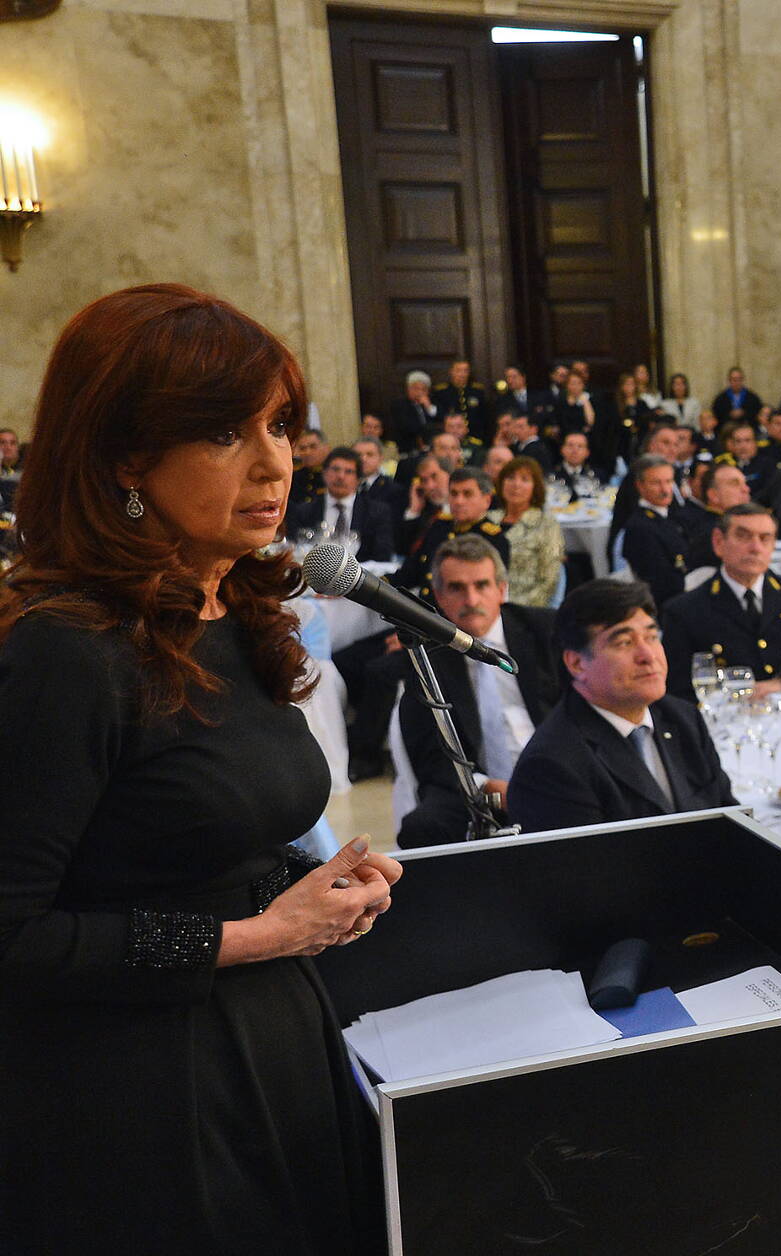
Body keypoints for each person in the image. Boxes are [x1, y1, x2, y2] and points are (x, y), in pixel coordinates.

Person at [0, 282, 398, 1249]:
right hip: (143, 1102)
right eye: (226, 434)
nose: (274, 463)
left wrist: (319, 884)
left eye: (279, 426)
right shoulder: (66, 648)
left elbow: (186, 841)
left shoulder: (228, 606)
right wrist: (262, 934)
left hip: (275, 1043)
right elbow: (13, 938)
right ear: (127, 455)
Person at [507, 579, 734, 832]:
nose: (648, 656)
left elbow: (729, 818)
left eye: (651, 636)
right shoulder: (552, 765)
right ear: (577, 664)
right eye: (624, 642)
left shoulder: (683, 718)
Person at [395, 537, 561, 848]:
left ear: (501, 589)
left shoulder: (544, 631)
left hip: (555, 775)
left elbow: (576, 713)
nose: (471, 599)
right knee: (421, 827)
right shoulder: (424, 656)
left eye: (481, 585)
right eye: (457, 588)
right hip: (477, 790)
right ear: (440, 596)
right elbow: (431, 756)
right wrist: (487, 788)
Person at [659, 504, 781, 699]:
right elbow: (679, 689)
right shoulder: (686, 611)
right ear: (719, 542)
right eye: (743, 536)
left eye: (765, 539)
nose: (755, 548)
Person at [391, 466, 510, 602]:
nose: (459, 501)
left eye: (467, 494)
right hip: (423, 611)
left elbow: (487, 595)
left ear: (487, 500)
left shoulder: (493, 539)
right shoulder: (440, 526)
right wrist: (381, 582)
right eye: (454, 494)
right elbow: (411, 571)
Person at [288, 444, 396, 562]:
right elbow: (294, 550)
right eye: (335, 469)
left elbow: (383, 556)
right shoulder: (303, 511)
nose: (340, 476)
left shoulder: (376, 512)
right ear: (324, 473)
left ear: (358, 479)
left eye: (348, 472)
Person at [622, 455, 696, 610]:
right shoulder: (640, 527)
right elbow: (660, 584)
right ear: (640, 486)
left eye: (669, 481)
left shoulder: (671, 516)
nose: (665, 490)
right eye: (656, 483)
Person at [494, 456, 566, 608]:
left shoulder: (546, 524)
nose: (516, 485)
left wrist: (512, 612)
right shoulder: (488, 519)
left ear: (535, 488)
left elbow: (548, 582)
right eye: (510, 478)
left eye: (524, 479)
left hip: (524, 608)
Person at [433, 359, 490, 442]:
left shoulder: (477, 391)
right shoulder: (441, 391)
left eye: (465, 371)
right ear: (451, 372)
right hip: (450, 436)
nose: (462, 374)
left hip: (476, 435)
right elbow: (439, 414)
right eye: (458, 370)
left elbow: (484, 416)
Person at [387, 368, 440, 450]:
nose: (419, 392)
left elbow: (440, 421)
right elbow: (407, 427)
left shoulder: (432, 402)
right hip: (408, 446)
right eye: (416, 388)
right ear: (408, 389)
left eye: (423, 389)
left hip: (432, 445)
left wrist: (429, 407)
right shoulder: (399, 404)